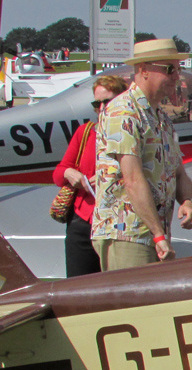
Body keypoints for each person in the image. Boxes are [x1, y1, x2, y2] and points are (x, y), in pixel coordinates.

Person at [91, 38, 192, 370]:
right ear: (144, 71)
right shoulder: (122, 113)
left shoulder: (160, 118)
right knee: (131, 326)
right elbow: (132, 180)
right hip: (127, 233)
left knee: (152, 323)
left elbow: (179, 169)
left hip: (152, 233)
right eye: (169, 69)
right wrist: (157, 235)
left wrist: (187, 199)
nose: (176, 77)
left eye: (177, 69)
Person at [53, 74, 129, 277]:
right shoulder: (85, 132)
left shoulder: (133, 132)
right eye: (97, 103)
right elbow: (58, 173)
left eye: (108, 101)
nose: (102, 108)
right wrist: (70, 173)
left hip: (118, 222)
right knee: (79, 286)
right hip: (83, 221)